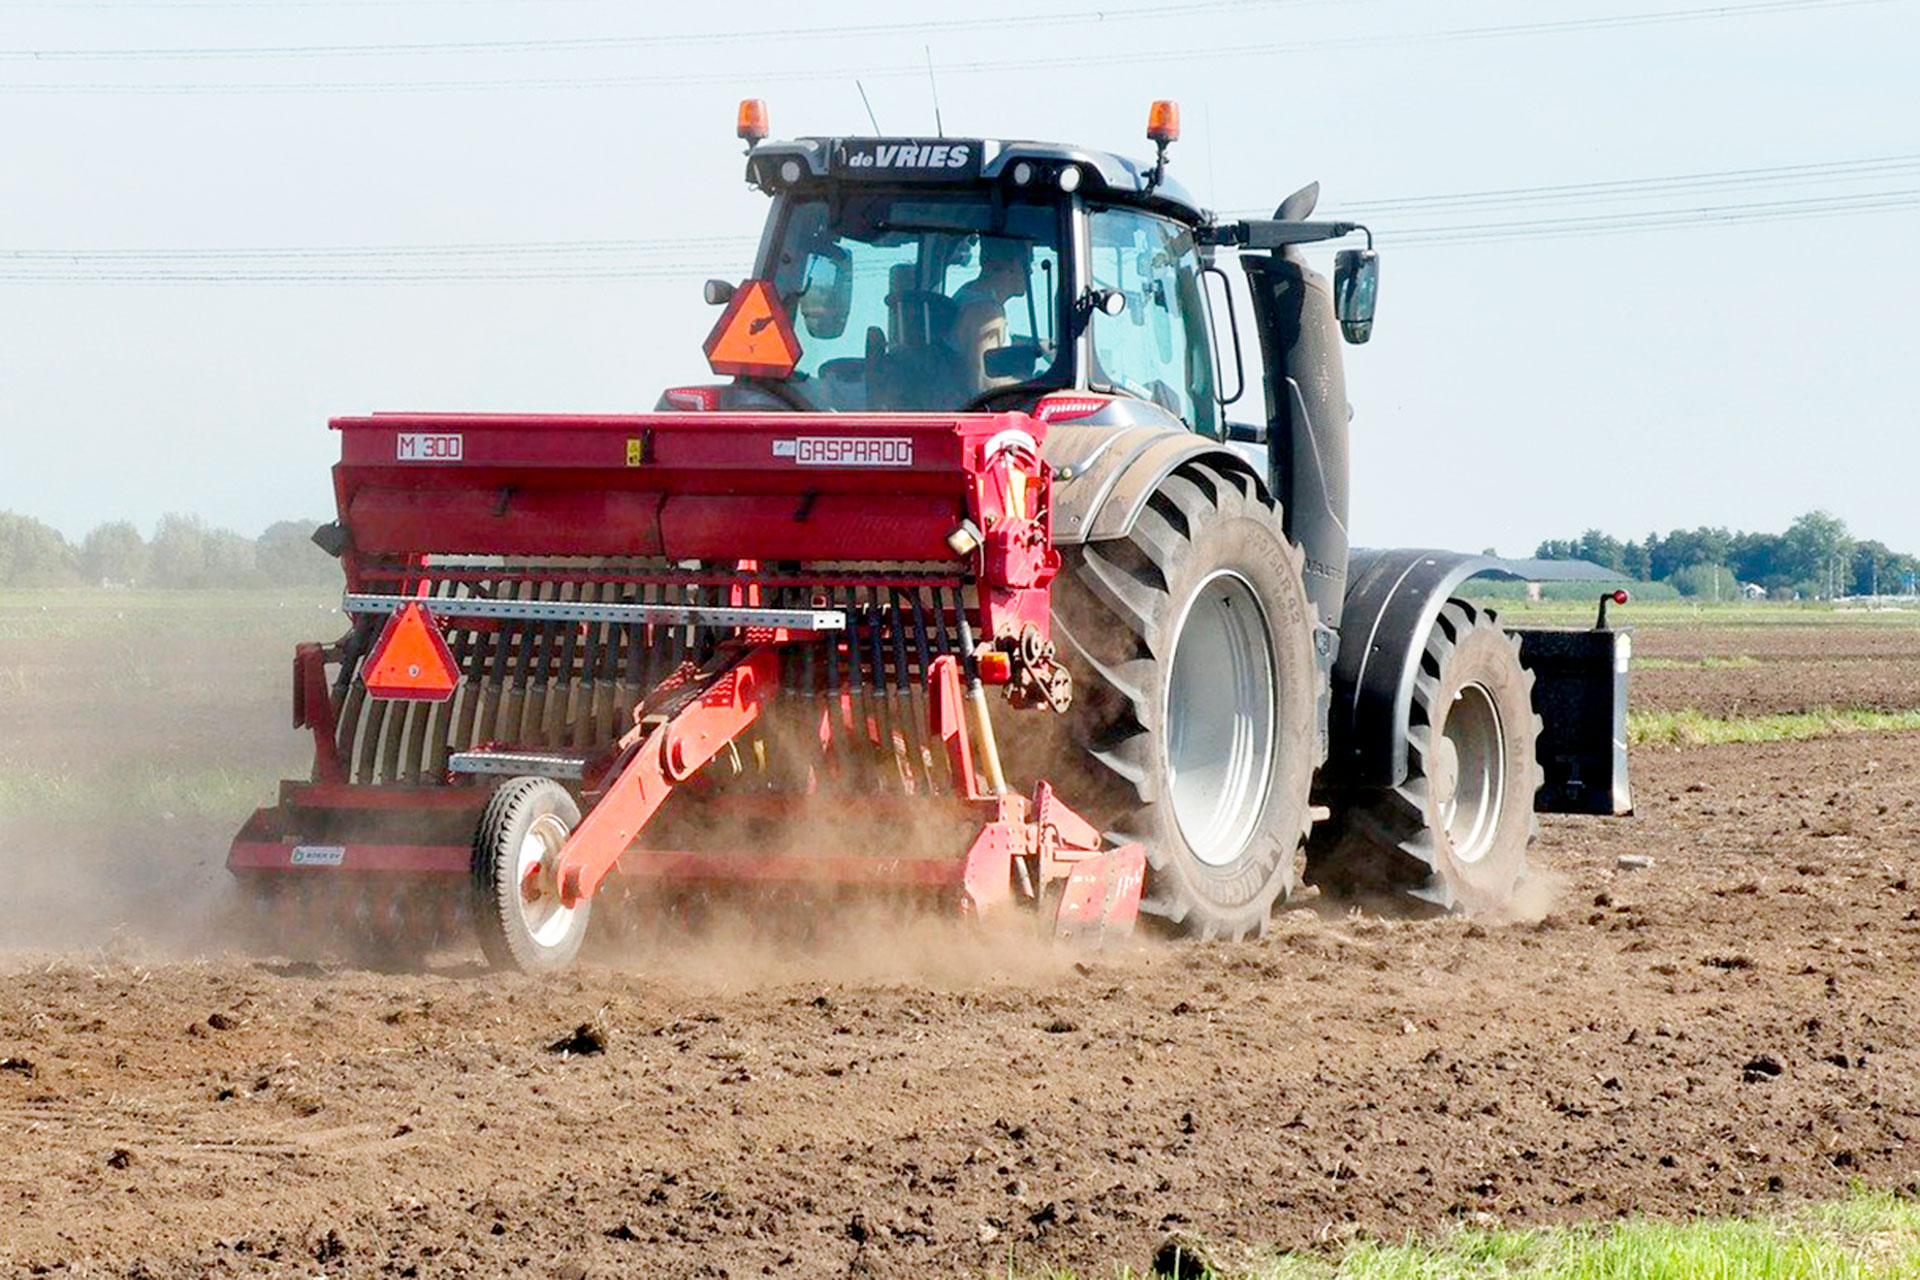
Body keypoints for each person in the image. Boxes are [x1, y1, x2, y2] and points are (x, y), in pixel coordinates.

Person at [949, 237, 1031, 393]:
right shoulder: (987, 313)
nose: (1031, 271)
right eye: (1028, 262)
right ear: (1010, 266)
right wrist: (1036, 383)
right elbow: (982, 383)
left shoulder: (968, 294)